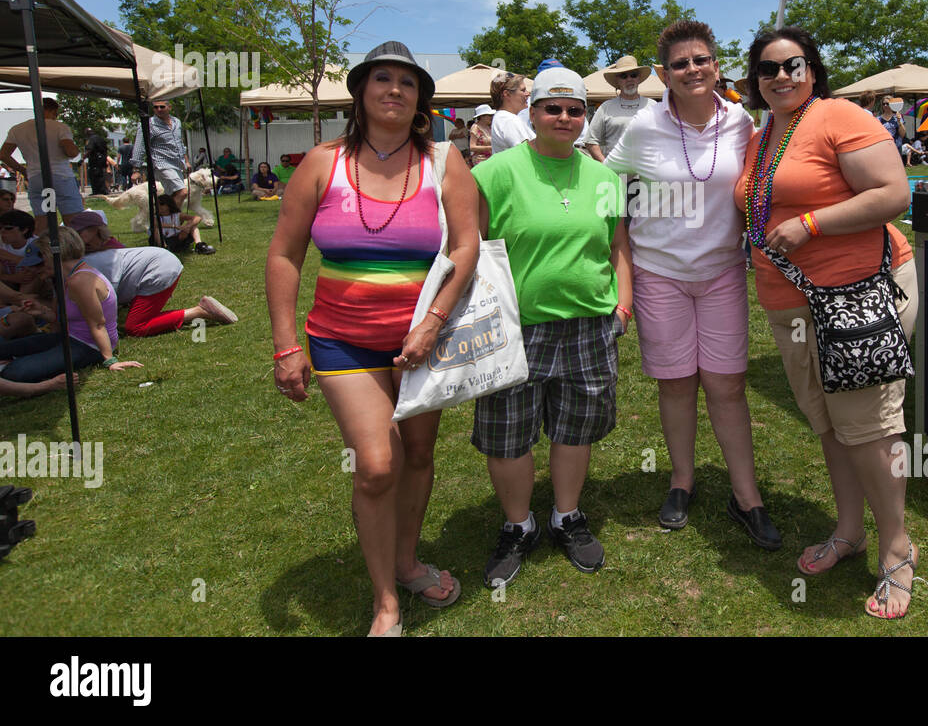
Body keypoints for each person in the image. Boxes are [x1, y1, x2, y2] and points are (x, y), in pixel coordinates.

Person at [267, 40, 479, 637]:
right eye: (381, 78)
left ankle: (408, 561)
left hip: (425, 344)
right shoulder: (321, 162)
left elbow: (466, 246)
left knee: (419, 455)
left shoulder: (444, 162)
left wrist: (433, 321)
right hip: (342, 341)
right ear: (360, 92)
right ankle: (385, 602)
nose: (394, 89)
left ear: (420, 102)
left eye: (407, 83)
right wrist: (286, 346)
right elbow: (284, 254)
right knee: (378, 464)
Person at [736, 26, 919, 620]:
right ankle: (849, 530)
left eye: (794, 65)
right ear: (756, 80)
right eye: (768, 69)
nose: (781, 77)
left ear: (812, 70)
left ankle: (896, 547)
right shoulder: (764, 134)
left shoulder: (839, 115)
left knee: (869, 425)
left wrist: (812, 225)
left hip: (855, 295)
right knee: (829, 423)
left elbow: (894, 193)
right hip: (788, 302)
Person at [604, 21, 778, 548]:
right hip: (659, 274)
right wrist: (620, 263)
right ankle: (682, 480)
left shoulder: (742, 122)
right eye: (679, 64)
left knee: (727, 384)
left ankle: (746, 496)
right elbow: (609, 190)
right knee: (677, 383)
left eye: (700, 59)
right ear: (663, 74)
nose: (692, 70)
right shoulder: (643, 127)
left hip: (723, 272)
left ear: (716, 65)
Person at [470, 65, 632, 588]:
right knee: (508, 433)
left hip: (589, 324)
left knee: (574, 426)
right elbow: (466, 248)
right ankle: (518, 525)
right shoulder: (494, 173)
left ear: (585, 117)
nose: (563, 117)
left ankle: (567, 515)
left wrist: (623, 307)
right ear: (532, 112)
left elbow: (618, 248)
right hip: (515, 327)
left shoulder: (605, 178)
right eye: (552, 108)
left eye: (574, 109)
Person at [0, 228, 143, 383]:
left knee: (14, 372)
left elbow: (98, 324)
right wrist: (40, 311)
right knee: (6, 350)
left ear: (52, 255)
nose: (38, 265)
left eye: (42, 257)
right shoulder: (71, 275)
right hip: (71, 337)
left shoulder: (79, 280)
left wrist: (110, 360)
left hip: (88, 346)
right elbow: (66, 318)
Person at [68, 210, 237, 336]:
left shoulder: (98, 255)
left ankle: (199, 311)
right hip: (158, 267)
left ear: (95, 230)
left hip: (158, 270)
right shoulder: (89, 255)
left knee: (135, 327)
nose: (78, 237)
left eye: (81, 232)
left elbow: (107, 293)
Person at [0, 97, 82, 232]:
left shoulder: (17, 129)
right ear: (53, 111)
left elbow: (3, 155)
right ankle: (75, 249)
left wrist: (22, 170)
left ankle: (41, 250)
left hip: (35, 178)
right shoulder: (59, 127)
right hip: (60, 177)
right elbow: (71, 152)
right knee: (73, 221)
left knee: (42, 222)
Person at [588, 56, 653, 163]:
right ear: (617, 80)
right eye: (623, 76)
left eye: (633, 75)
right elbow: (591, 141)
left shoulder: (652, 106)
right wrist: (607, 167)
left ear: (639, 78)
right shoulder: (605, 107)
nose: (629, 79)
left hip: (647, 173)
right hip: (616, 174)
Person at [132, 99, 189, 208]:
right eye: (155, 107)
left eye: (162, 107)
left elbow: (179, 142)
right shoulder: (148, 124)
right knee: (182, 192)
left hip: (177, 163)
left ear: (169, 107)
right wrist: (136, 169)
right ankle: (173, 220)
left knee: (173, 195)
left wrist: (186, 161)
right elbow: (139, 146)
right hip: (161, 164)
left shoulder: (177, 122)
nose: (159, 109)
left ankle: (166, 221)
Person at [489, 72, 533, 154]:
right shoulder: (508, 120)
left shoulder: (503, 118)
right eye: (523, 90)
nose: (528, 93)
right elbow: (526, 153)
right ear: (507, 94)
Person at [84, 128, 110, 196]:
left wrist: (82, 159)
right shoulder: (100, 138)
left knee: (94, 174)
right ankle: (103, 190)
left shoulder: (91, 139)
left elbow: (89, 150)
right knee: (100, 174)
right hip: (102, 159)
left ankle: (97, 191)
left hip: (95, 159)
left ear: (87, 133)